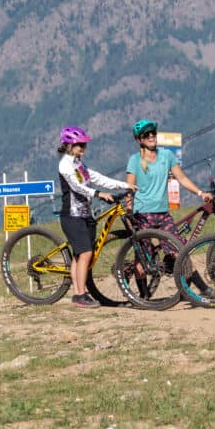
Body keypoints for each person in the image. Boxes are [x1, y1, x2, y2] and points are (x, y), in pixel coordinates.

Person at [57, 125, 133, 308]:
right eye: (79, 145)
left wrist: (123, 185)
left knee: (79, 256)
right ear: (69, 145)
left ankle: (77, 294)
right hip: (72, 216)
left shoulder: (78, 163)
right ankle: (81, 295)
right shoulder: (65, 165)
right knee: (86, 253)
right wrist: (98, 194)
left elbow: (97, 178)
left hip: (85, 214)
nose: (83, 149)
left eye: (84, 145)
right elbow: (77, 187)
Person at [125, 119, 213, 235]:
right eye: (146, 134)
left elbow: (182, 179)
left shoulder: (167, 156)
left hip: (162, 212)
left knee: (177, 250)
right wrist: (129, 213)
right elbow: (129, 190)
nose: (151, 136)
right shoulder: (134, 160)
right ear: (139, 140)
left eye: (153, 133)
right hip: (142, 214)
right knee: (147, 252)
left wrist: (201, 193)